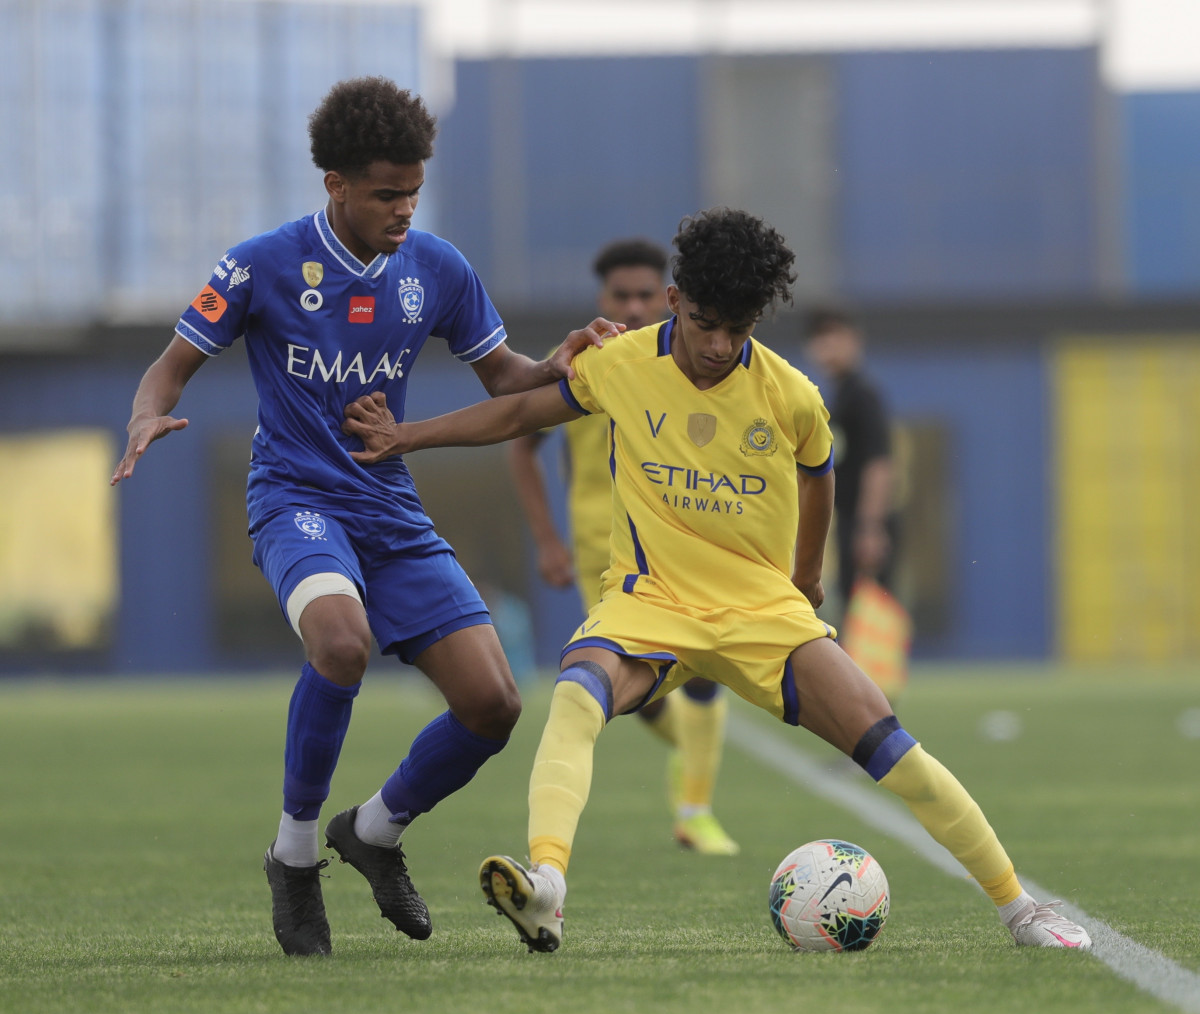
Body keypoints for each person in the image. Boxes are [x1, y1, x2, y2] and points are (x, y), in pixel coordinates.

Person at [341, 207, 1092, 956]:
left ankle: (1022, 911)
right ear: (675, 302)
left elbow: (819, 475)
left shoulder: (792, 394)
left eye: (740, 329)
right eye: (706, 324)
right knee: (575, 696)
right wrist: (408, 435)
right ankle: (548, 886)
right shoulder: (622, 364)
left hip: (761, 612)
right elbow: (516, 415)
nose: (720, 345)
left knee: (892, 747)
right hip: (649, 604)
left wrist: (802, 579)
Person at [110, 76, 615, 957]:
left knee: (495, 704)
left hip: (390, 507)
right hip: (296, 500)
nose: (404, 210)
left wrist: (559, 362)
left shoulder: (438, 268)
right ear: (336, 184)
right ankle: (295, 856)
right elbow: (169, 367)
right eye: (387, 193)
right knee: (340, 646)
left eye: (414, 191)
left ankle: (373, 832)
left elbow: (506, 379)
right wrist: (148, 412)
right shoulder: (262, 263)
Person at [506, 238, 737, 855]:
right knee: (636, 696)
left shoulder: (695, 360)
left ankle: (696, 808)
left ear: (667, 298)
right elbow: (519, 442)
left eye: (644, 295)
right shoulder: (585, 359)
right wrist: (546, 540)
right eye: (620, 295)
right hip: (602, 556)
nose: (632, 307)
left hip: (684, 550)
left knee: (707, 672)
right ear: (602, 299)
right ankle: (687, 764)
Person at [802, 307, 898, 611]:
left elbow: (879, 463)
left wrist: (870, 527)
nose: (828, 346)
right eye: (820, 338)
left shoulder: (862, 396)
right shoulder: (839, 395)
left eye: (836, 336)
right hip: (850, 520)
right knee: (855, 608)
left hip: (867, 521)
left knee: (874, 613)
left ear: (855, 340)